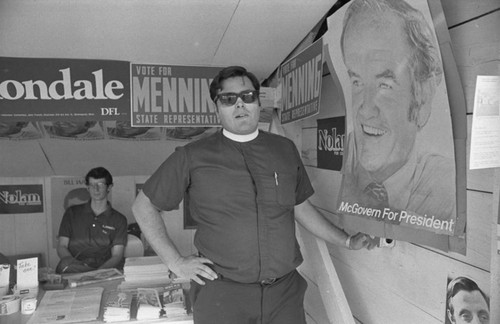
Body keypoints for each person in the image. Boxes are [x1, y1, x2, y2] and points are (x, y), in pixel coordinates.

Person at [132, 66, 374, 324]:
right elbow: (143, 206)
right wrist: (175, 262)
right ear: (217, 107)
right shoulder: (192, 156)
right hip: (223, 297)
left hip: (284, 295)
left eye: (248, 96)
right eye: (228, 99)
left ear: (258, 103)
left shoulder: (284, 149)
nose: (239, 104)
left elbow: (300, 206)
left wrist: (346, 241)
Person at [337, 0, 456, 224]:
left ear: (422, 95)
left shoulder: (445, 188)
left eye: (385, 85)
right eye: (357, 81)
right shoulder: (341, 162)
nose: (366, 110)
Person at [56, 167, 127, 273]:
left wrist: (98, 273)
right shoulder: (72, 213)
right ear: (87, 188)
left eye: (100, 185)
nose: (96, 189)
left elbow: (117, 255)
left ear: (109, 187)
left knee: (122, 268)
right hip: (75, 267)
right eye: (92, 185)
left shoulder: (119, 219)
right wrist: (73, 263)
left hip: (105, 269)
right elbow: (62, 246)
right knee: (64, 265)